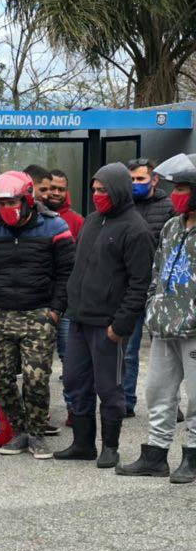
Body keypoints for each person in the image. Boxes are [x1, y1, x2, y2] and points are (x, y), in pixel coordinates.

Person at [54, 163, 154, 468]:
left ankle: (110, 447)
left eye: (103, 190)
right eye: (94, 190)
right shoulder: (92, 221)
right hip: (79, 320)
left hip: (108, 325)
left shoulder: (136, 229)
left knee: (109, 388)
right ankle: (83, 444)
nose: (98, 195)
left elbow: (140, 284)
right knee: (73, 381)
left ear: (118, 190)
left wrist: (119, 325)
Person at [0, 171, 75, 459]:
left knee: (36, 379)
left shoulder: (55, 227)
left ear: (28, 198)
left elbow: (67, 273)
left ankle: (36, 433)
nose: (6, 208)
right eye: (0, 203)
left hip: (38, 314)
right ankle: (19, 430)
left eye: (12, 201)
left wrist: (55, 311)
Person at [115, 164, 196, 482]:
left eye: (182, 190)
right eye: (175, 190)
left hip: (193, 329)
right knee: (158, 392)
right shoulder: (172, 227)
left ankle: (192, 455)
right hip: (163, 326)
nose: (176, 196)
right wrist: (152, 307)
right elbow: (157, 271)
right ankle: (155, 455)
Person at [121, 158, 176, 417]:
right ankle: (126, 402)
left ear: (154, 180)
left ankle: (170, 406)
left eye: (140, 179)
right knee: (128, 352)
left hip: (161, 291)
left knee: (166, 353)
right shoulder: (124, 207)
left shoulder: (169, 208)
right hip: (131, 289)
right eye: (131, 180)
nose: (135, 184)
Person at [35, 169, 86, 427]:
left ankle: (74, 410)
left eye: (60, 189)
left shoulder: (77, 221)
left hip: (69, 301)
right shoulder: (32, 219)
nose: (54, 193)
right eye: (50, 188)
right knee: (39, 359)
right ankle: (40, 412)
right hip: (41, 299)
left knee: (71, 358)